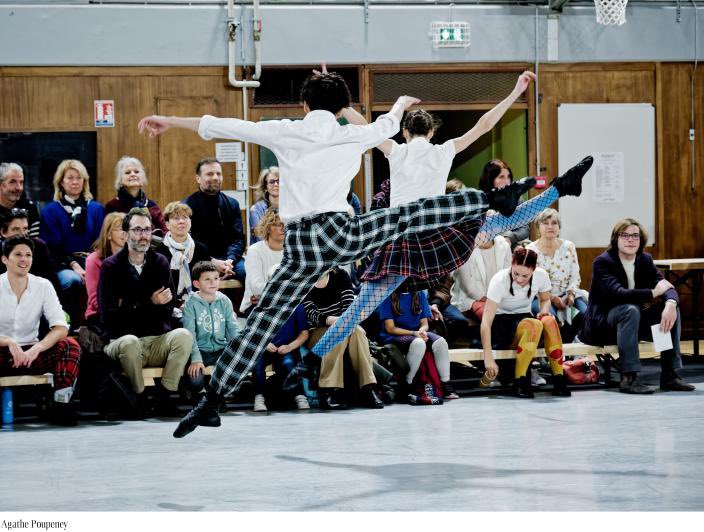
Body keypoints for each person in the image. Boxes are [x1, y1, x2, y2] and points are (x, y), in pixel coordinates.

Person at [139, 68, 525, 437]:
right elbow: (389, 125)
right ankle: (490, 200)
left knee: (261, 324)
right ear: (342, 110)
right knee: (406, 215)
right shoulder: (350, 133)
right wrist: (399, 104)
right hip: (342, 234)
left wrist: (169, 119)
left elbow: (223, 125)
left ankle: (212, 399)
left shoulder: (285, 130)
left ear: (305, 106)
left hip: (301, 244)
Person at [290, 72, 594, 382]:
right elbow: (485, 124)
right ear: (432, 132)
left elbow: (359, 122)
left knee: (360, 308)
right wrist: (516, 90)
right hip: (441, 235)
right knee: (504, 221)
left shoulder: (395, 149)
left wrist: (337, 96)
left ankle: (311, 361)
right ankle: (559, 188)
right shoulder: (443, 150)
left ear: (405, 132)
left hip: (404, 240)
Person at [0, 235, 81, 431]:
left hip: (32, 354)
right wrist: (9, 343)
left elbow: (61, 326)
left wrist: (37, 348)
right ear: (5, 259)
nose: (24, 259)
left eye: (28, 255)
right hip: (2, 356)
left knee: (70, 345)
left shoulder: (44, 285)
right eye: (18, 254)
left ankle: (61, 406)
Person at [578, 218, 695, 394]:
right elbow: (619, 294)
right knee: (630, 309)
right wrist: (653, 293)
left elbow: (666, 287)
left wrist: (670, 303)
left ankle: (670, 375)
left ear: (641, 240)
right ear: (615, 239)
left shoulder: (644, 260)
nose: (630, 240)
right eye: (625, 235)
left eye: (635, 236)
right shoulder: (603, 262)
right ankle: (629, 377)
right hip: (602, 326)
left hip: (631, 324)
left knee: (668, 312)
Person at [99, 207, 193, 415]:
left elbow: (168, 308)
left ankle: (165, 396)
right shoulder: (111, 267)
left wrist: (130, 304)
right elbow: (110, 317)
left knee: (183, 336)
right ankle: (139, 398)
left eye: (148, 230)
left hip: (155, 338)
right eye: (138, 230)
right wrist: (150, 302)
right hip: (121, 341)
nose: (144, 236)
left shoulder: (160, 262)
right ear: (125, 234)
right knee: (130, 340)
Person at [480, 247, 570, 398]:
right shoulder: (499, 280)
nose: (520, 279)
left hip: (525, 318)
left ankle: (559, 379)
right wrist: (488, 358)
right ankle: (520, 382)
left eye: (525, 276)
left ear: (534, 270)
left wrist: (544, 310)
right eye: (516, 273)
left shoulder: (541, 275)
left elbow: (545, 299)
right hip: (502, 324)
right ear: (512, 264)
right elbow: (486, 322)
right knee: (533, 325)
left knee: (549, 321)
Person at [303, 269, 383, 410]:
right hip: (316, 330)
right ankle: (329, 388)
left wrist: (345, 323)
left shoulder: (340, 275)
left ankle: (367, 387)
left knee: (356, 331)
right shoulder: (303, 279)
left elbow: (349, 306)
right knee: (344, 332)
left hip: (345, 325)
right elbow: (310, 313)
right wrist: (337, 322)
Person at [40, 159, 105, 297]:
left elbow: (101, 241)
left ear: (84, 181)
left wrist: (91, 263)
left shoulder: (96, 208)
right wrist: (74, 265)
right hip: (63, 264)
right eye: (70, 178)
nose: (75, 182)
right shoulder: (50, 211)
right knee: (74, 280)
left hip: (92, 260)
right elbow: (53, 247)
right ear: (61, 182)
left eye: (79, 178)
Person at [379, 287, 457, 401]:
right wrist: (414, 333)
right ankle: (408, 383)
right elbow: (390, 328)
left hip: (416, 332)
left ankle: (446, 383)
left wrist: (422, 331)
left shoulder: (419, 294)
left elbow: (424, 323)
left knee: (440, 342)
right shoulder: (387, 295)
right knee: (419, 343)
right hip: (395, 335)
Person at [181, 261, 240, 401]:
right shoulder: (191, 303)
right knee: (195, 382)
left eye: (216, 278)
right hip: (199, 350)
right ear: (196, 284)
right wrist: (195, 358)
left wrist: (237, 352)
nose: (213, 282)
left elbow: (232, 329)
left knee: (233, 377)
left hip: (220, 349)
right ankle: (196, 392)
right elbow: (190, 334)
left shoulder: (224, 301)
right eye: (207, 279)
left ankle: (216, 397)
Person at [183, 158, 246, 281]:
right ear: (198, 179)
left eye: (218, 173)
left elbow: (238, 239)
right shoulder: (187, 206)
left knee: (245, 273)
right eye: (210, 174)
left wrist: (230, 260)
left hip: (229, 259)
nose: (216, 177)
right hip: (200, 259)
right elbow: (188, 242)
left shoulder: (232, 204)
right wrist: (212, 262)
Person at [526, 208, 589, 323]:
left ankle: (570, 341)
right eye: (545, 223)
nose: (550, 227)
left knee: (584, 314)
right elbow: (529, 282)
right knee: (550, 320)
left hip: (567, 295)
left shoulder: (569, 246)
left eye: (554, 223)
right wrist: (552, 298)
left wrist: (570, 294)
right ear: (538, 227)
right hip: (541, 297)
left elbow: (575, 275)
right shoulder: (530, 250)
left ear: (559, 228)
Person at [0, 208, 59, 288]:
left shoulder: (39, 247)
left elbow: (52, 282)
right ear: (3, 232)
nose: (22, 234)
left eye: (25, 229)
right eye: (16, 229)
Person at [156, 202, 212, 321]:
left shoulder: (201, 249)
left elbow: (208, 281)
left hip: (199, 304)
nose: (181, 221)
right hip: (169, 308)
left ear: (190, 222)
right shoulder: (158, 252)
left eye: (185, 217)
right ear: (167, 224)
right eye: (176, 218)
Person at [253, 301, 310, 412]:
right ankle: (259, 397)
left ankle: (300, 396)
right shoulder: (261, 306)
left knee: (289, 363)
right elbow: (253, 331)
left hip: (287, 348)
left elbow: (304, 334)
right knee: (258, 364)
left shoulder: (297, 306)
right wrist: (265, 343)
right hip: (264, 348)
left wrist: (290, 346)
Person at [84, 212, 126, 328]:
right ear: (108, 235)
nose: (125, 233)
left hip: (128, 312)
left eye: (127, 228)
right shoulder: (93, 260)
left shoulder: (135, 257)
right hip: (100, 314)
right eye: (119, 229)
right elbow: (95, 300)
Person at [104, 156, 167, 234]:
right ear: (120, 180)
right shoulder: (112, 206)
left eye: (136, 172)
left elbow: (165, 233)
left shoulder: (152, 205)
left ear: (142, 178)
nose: (133, 174)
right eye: (127, 172)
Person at [240, 208, 284, 317]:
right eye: (278, 225)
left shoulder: (293, 250)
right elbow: (257, 287)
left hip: (284, 303)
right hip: (256, 305)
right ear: (268, 228)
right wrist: (288, 290)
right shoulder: (255, 250)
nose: (283, 228)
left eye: (285, 224)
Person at [478, 159, 529, 248]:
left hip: (509, 246)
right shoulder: (479, 200)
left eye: (508, 177)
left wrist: (509, 238)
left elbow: (524, 229)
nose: (507, 181)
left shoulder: (516, 199)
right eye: (501, 177)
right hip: (484, 247)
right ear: (490, 179)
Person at [249, 167, 280, 244]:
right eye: (272, 182)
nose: (276, 184)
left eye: (279, 181)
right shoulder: (256, 209)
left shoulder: (291, 207)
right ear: (265, 187)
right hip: (263, 251)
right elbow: (260, 237)